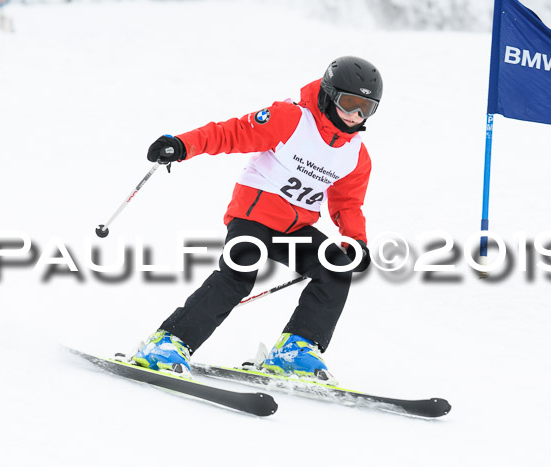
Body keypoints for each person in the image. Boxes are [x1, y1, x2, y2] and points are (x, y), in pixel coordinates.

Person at [132, 56, 383, 384]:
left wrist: (356, 241)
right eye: (349, 103)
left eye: (366, 108)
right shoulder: (290, 119)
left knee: (335, 266)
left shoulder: (356, 155)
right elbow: (231, 133)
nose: (355, 116)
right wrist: (181, 145)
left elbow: (348, 204)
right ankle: (167, 343)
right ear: (328, 94)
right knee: (238, 275)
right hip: (253, 214)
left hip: (294, 227)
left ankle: (296, 350)